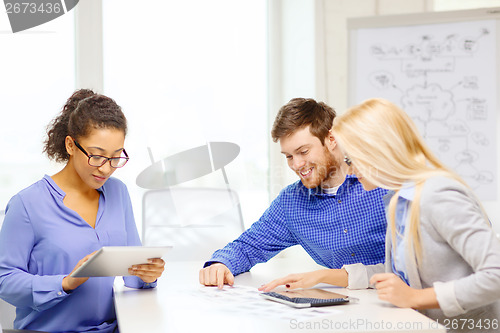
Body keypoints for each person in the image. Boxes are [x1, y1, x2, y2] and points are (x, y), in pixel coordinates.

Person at [0, 89, 165, 332]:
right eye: (97, 156)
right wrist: (66, 282)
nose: (106, 169)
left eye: (116, 157)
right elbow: (5, 280)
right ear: (70, 145)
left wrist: (148, 274)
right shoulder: (27, 204)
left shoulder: (118, 192)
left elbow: (133, 275)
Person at [331, 98, 500, 331]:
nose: (349, 170)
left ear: (377, 150)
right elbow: (411, 276)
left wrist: (414, 298)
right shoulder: (398, 201)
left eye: (351, 159)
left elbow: (496, 274)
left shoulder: (437, 194)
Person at [199, 98, 388, 290]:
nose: (296, 165)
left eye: (303, 151)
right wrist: (220, 264)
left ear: (331, 140)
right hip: (347, 305)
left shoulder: (383, 182)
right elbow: (249, 245)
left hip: (400, 303)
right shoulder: (292, 203)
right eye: (289, 156)